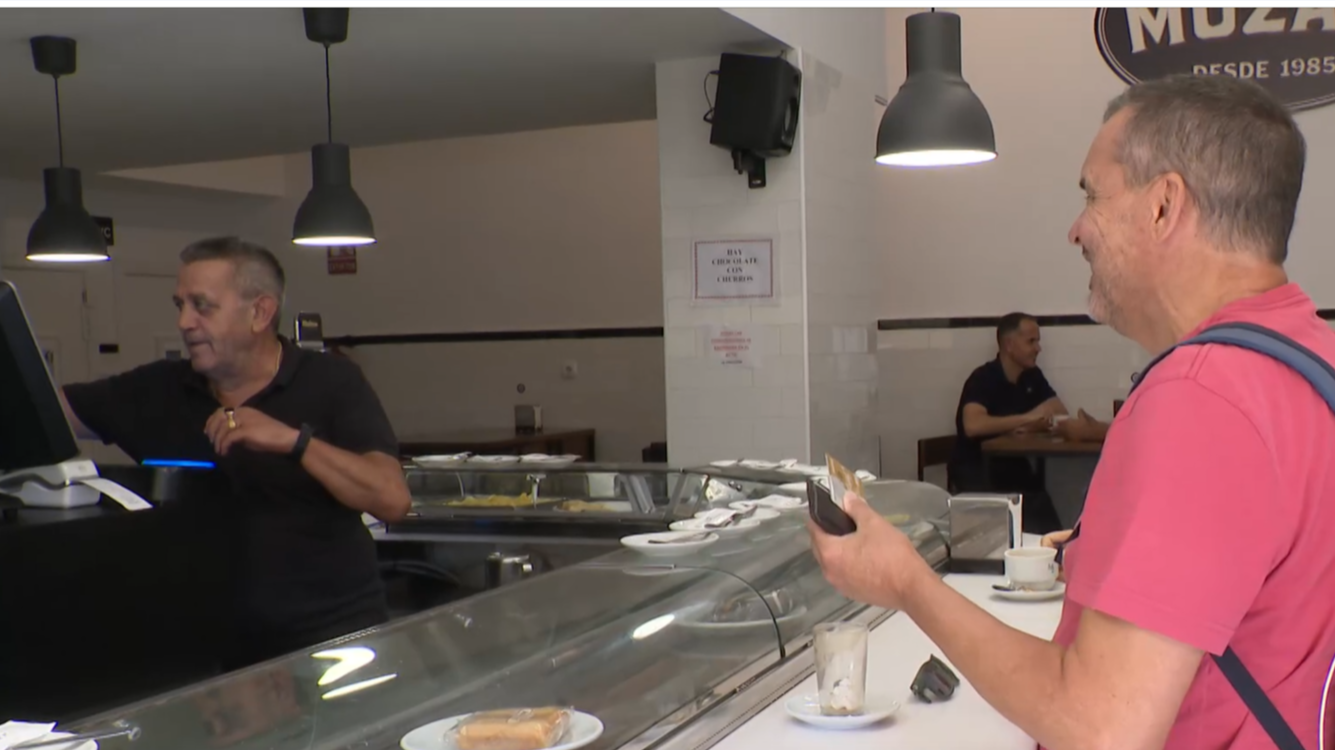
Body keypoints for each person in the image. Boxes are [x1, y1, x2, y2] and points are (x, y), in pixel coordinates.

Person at [809, 74, 1333, 749]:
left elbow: (1101, 727)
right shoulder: (1309, 354)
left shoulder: (1202, 395)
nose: (1076, 229)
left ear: (1163, 206)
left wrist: (904, 580)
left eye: (1091, 194)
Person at [61, 236, 411, 667]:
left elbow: (391, 499)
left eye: (202, 306)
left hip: (333, 645)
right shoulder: (158, 389)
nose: (184, 322)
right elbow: (41, 410)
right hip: (205, 657)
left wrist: (294, 441)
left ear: (259, 313)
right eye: (180, 305)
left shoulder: (332, 382)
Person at [949, 312, 1067, 532]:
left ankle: (1052, 549)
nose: (1038, 348)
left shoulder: (1032, 376)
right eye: (1031, 341)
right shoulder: (983, 378)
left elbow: (1059, 412)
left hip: (1012, 467)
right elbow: (973, 426)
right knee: (1021, 510)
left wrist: (1025, 425)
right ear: (1009, 345)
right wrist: (1027, 419)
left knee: (1040, 505)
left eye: (1038, 341)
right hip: (977, 469)